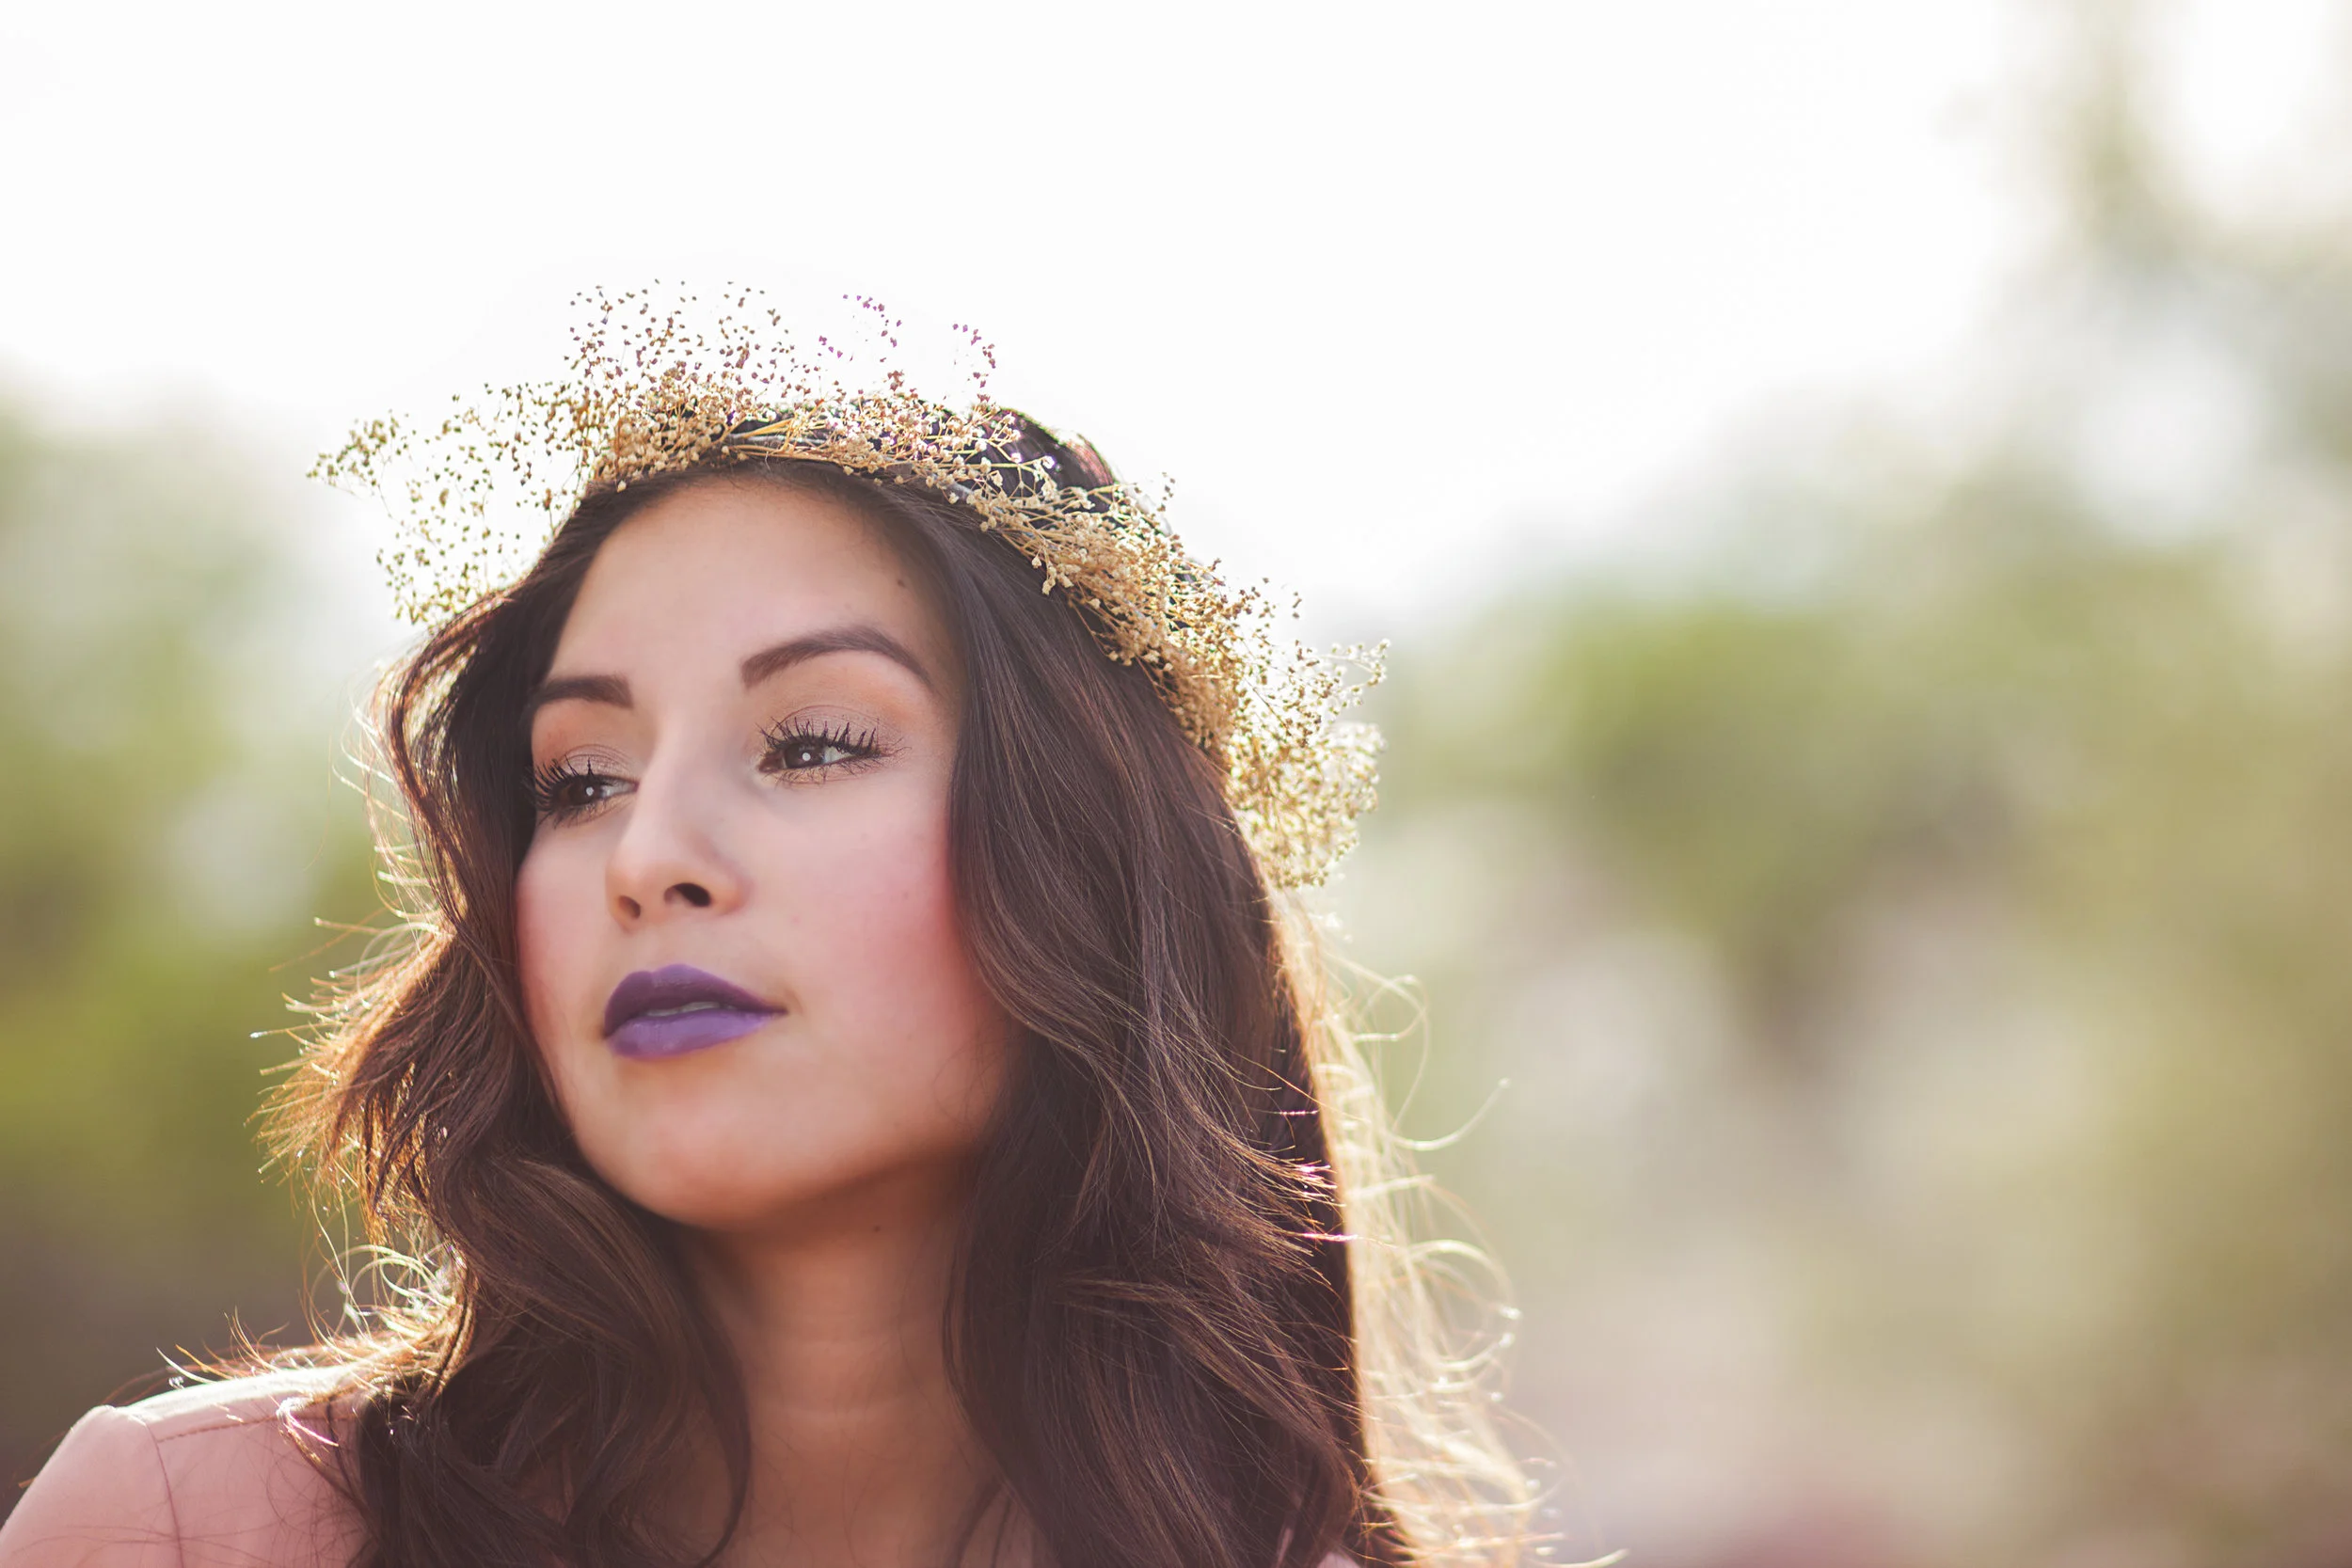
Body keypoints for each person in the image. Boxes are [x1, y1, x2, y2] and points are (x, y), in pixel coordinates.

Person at [0, 300, 1533, 1567]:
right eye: (580, 780)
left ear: (1095, 855)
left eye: (811, 744)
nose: (649, 856)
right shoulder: (180, 1530)